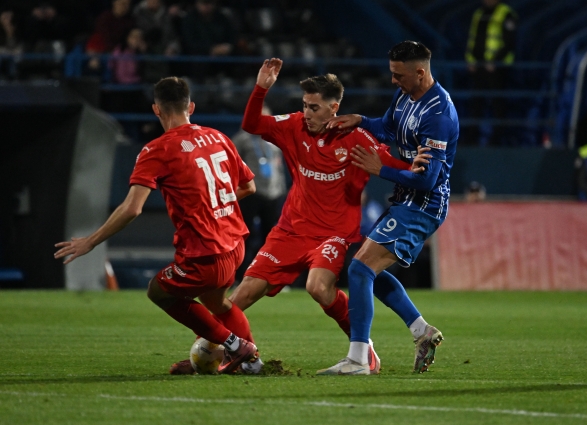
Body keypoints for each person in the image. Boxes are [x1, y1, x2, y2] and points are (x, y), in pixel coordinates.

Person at [169, 58, 430, 375]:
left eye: (314, 108)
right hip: (290, 231)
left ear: (334, 108)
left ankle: (364, 352)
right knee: (242, 294)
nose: (307, 113)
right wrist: (261, 89)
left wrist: (417, 166)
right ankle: (207, 354)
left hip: (333, 234)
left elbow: (399, 168)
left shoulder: (357, 138)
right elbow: (252, 124)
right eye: (305, 105)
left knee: (318, 287)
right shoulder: (293, 126)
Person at [54, 77, 259, 374]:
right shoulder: (219, 137)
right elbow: (249, 186)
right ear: (191, 107)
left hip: (205, 251)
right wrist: (212, 205)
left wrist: (91, 241)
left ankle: (235, 345)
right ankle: (252, 363)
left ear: (156, 110)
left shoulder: (157, 150)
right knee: (217, 303)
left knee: (159, 291)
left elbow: (132, 208)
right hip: (234, 244)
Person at [317, 40, 459, 375]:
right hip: (405, 199)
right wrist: (360, 120)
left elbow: (428, 180)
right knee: (370, 270)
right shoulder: (405, 96)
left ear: (420, 72)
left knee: (360, 269)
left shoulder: (439, 115)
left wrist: (380, 169)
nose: (393, 80)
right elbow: (388, 127)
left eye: (399, 75)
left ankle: (358, 359)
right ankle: (422, 331)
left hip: (424, 204)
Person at [232, 105, 287, 284]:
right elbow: (231, 167)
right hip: (251, 194)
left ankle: (265, 277)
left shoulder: (275, 140)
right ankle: (238, 276)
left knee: (271, 239)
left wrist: (282, 190)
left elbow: (279, 168)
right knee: (244, 237)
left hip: (274, 194)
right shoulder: (241, 139)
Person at [464, 0, 517, 146]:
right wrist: (470, 60)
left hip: (497, 69)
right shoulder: (479, 14)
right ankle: (472, 139)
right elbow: (473, 39)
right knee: (476, 104)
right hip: (479, 67)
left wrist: (495, 61)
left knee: (498, 104)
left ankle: (497, 140)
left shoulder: (506, 13)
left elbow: (509, 42)